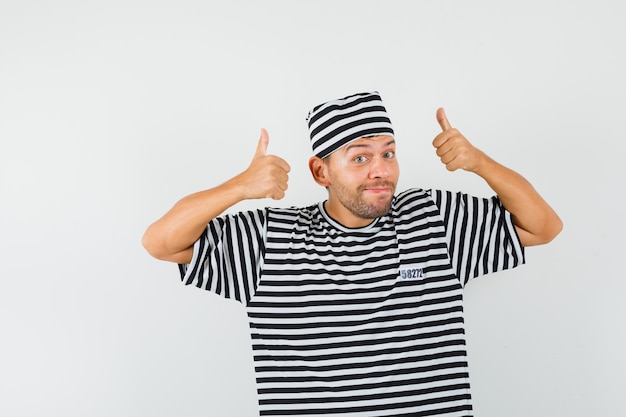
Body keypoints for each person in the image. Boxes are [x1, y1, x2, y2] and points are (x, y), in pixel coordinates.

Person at [142, 91, 562, 417]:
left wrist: (480, 163)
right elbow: (161, 243)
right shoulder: (270, 239)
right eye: (359, 157)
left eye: (388, 153)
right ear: (320, 172)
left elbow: (543, 227)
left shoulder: (434, 218)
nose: (381, 170)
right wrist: (238, 188)